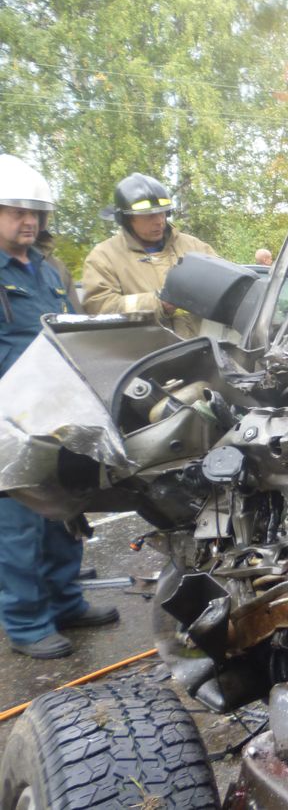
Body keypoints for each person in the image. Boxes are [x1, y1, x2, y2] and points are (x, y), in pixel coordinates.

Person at [0, 154, 118, 659]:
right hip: (9, 419)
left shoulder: (50, 270)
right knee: (19, 524)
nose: (29, 221)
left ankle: (66, 601)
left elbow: (70, 327)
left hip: (55, 409)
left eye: (36, 213)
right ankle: (27, 623)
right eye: (16, 212)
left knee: (63, 512)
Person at [81, 173, 217, 336]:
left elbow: (224, 283)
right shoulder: (103, 257)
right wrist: (158, 303)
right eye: (149, 215)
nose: (159, 221)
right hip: (143, 359)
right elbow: (100, 308)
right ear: (125, 218)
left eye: (163, 213)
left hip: (197, 353)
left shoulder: (194, 247)